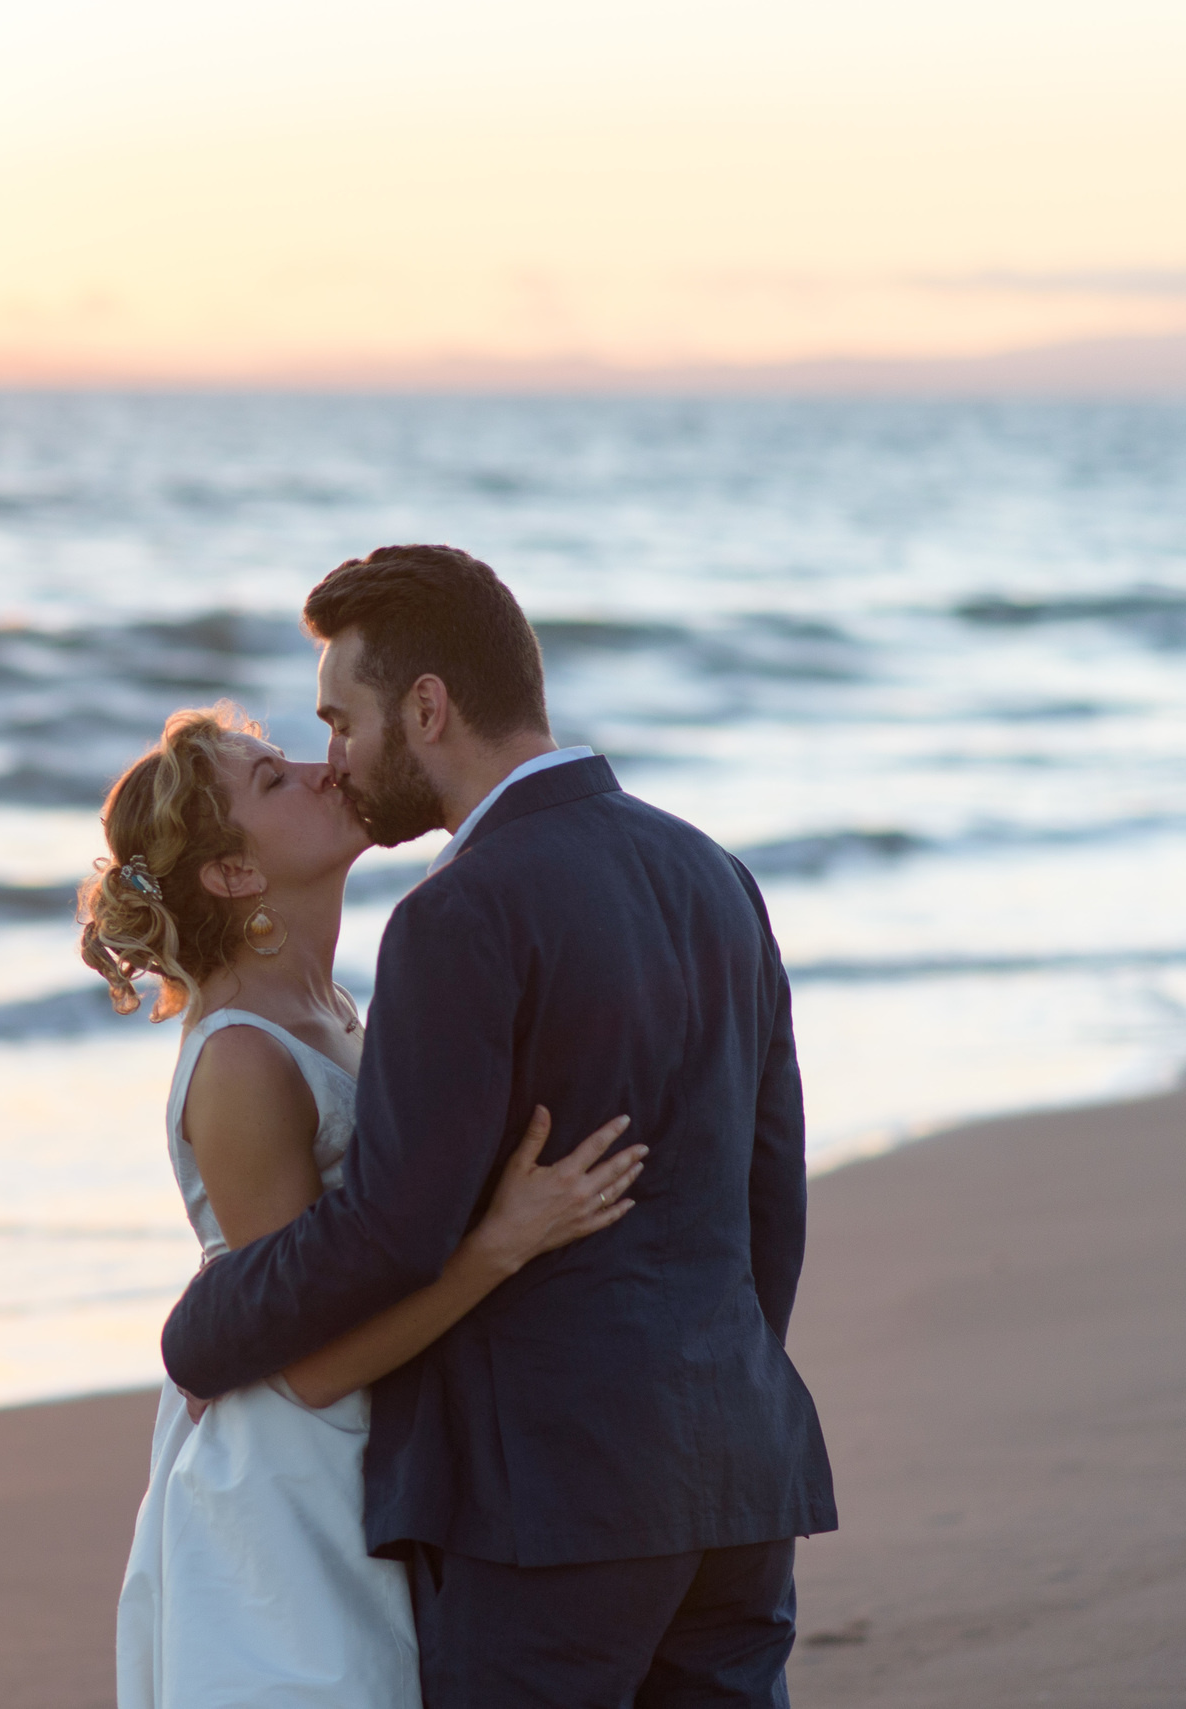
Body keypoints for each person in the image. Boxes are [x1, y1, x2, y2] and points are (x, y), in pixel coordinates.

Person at [161, 545, 837, 1709]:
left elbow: (395, 1227)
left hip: (548, 1501)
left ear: (425, 707)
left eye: (341, 720)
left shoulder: (455, 914)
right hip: (735, 1472)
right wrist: (708, 1384)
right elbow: (768, 1192)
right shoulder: (710, 870)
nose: (335, 758)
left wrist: (207, 1326)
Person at [84, 701, 648, 1708]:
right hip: (289, 1481)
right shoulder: (243, 1057)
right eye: (270, 779)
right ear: (232, 873)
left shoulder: (334, 1007)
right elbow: (302, 1361)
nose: (318, 767)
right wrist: (502, 1242)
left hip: (376, 1443)